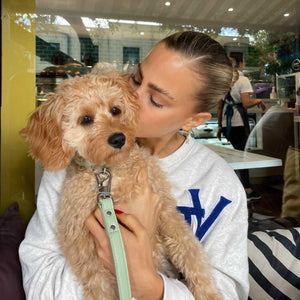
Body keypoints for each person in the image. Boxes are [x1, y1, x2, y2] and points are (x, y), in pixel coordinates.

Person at [19, 31, 249, 300]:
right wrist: (107, 273)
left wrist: (149, 286)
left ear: (193, 121)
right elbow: (39, 273)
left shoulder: (220, 184)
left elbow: (229, 291)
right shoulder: (73, 160)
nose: (131, 96)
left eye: (156, 100)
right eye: (136, 79)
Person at [217, 57, 266, 202]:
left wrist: (220, 126)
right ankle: (247, 189)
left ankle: (236, 186)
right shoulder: (243, 80)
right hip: (238, 122)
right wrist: (258, 100)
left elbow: (220, 106)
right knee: (242, 157)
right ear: (241, 64)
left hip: (227, 124)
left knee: (235, 155)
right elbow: (245, 104)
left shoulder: (221, 80)